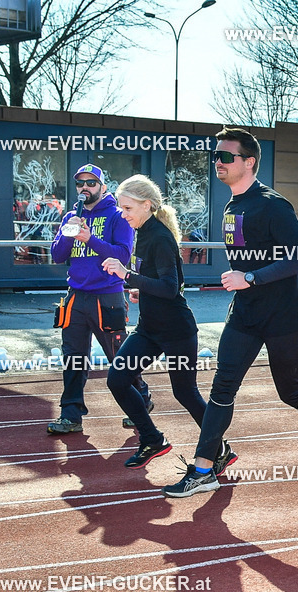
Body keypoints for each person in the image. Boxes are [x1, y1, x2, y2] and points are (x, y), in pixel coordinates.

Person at [162, 127, 298, 498]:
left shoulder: (272, 204)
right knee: (223, 385)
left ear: (248, 162)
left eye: (225, 157)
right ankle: (204, 469)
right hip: (245, 315)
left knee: (290, 390)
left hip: (282, 315)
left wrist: (249, 276)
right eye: (215, 156)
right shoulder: (232, 205)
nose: (217, 162)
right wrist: (244, 283)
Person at [101, 175, 210, 469]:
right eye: (121, 209)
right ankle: (152, 439)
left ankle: (218, 448)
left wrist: (126, 276)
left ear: (146, 205)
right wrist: (140, 290)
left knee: (185, 392)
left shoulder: (159, 236)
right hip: (150, 329)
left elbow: (171, 288)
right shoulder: (144, 232)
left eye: (127, 208)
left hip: (176, 329)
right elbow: (160, 283)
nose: (123, 215)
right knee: (118, 378)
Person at [47, 164, 149, 435]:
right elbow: (57, 255)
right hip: (76, 297)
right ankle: (71, 415)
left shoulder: (117, 216)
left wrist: (89, 238)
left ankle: (142, 400)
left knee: (120, 358)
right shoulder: (72, 215)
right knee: (74, 359)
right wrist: (71, 233)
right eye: (80, 183)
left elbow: (123, 255)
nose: (85, 188)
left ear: (103, 187)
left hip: (108, 297)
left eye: (91, 183)